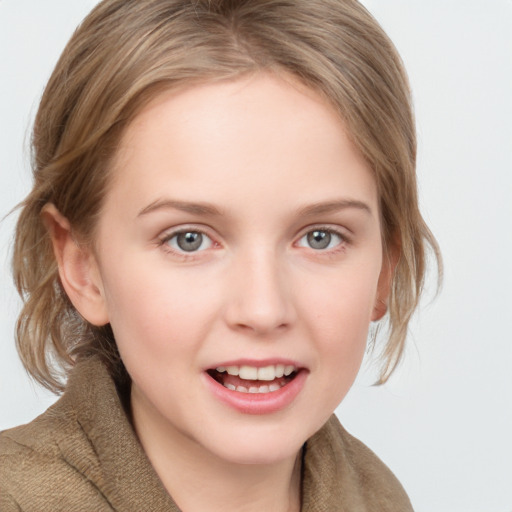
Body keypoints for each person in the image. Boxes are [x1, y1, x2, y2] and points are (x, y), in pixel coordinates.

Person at [0, 0, 441, 510]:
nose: (262, 309)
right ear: (83, 267)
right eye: (189, 239)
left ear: (384, 269)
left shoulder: (378, 498)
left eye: (321, 237)